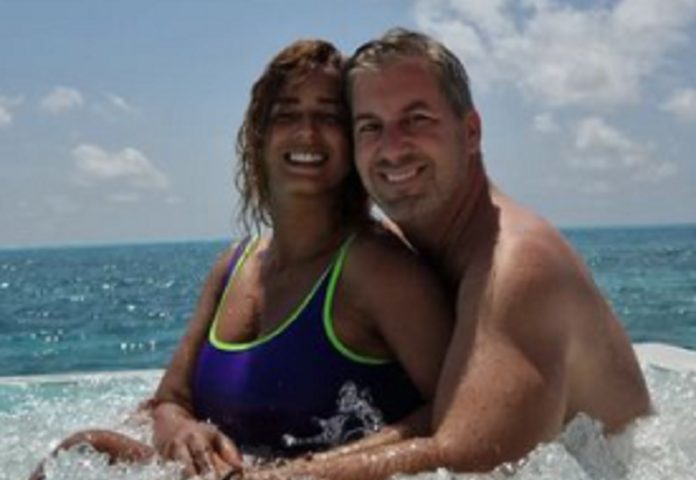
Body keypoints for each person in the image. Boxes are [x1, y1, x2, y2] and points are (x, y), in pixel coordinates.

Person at [28, 39, 452, 480]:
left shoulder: (379, 270)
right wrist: (184, 433)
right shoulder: (234, 266)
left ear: (354, 140)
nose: (307, 133)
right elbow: (169, 401)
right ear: (259, 137)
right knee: (84, 446)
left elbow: (453, 414)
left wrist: (305, 473)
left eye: (328, 117)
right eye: (286, 115)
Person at [242, 28, 652, 480]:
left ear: (470, 132)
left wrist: (274, 478)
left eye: (417, 119)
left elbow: (471, 459)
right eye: (371, 127)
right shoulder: (406, 251)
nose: (392, 147)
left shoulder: (516, 264)